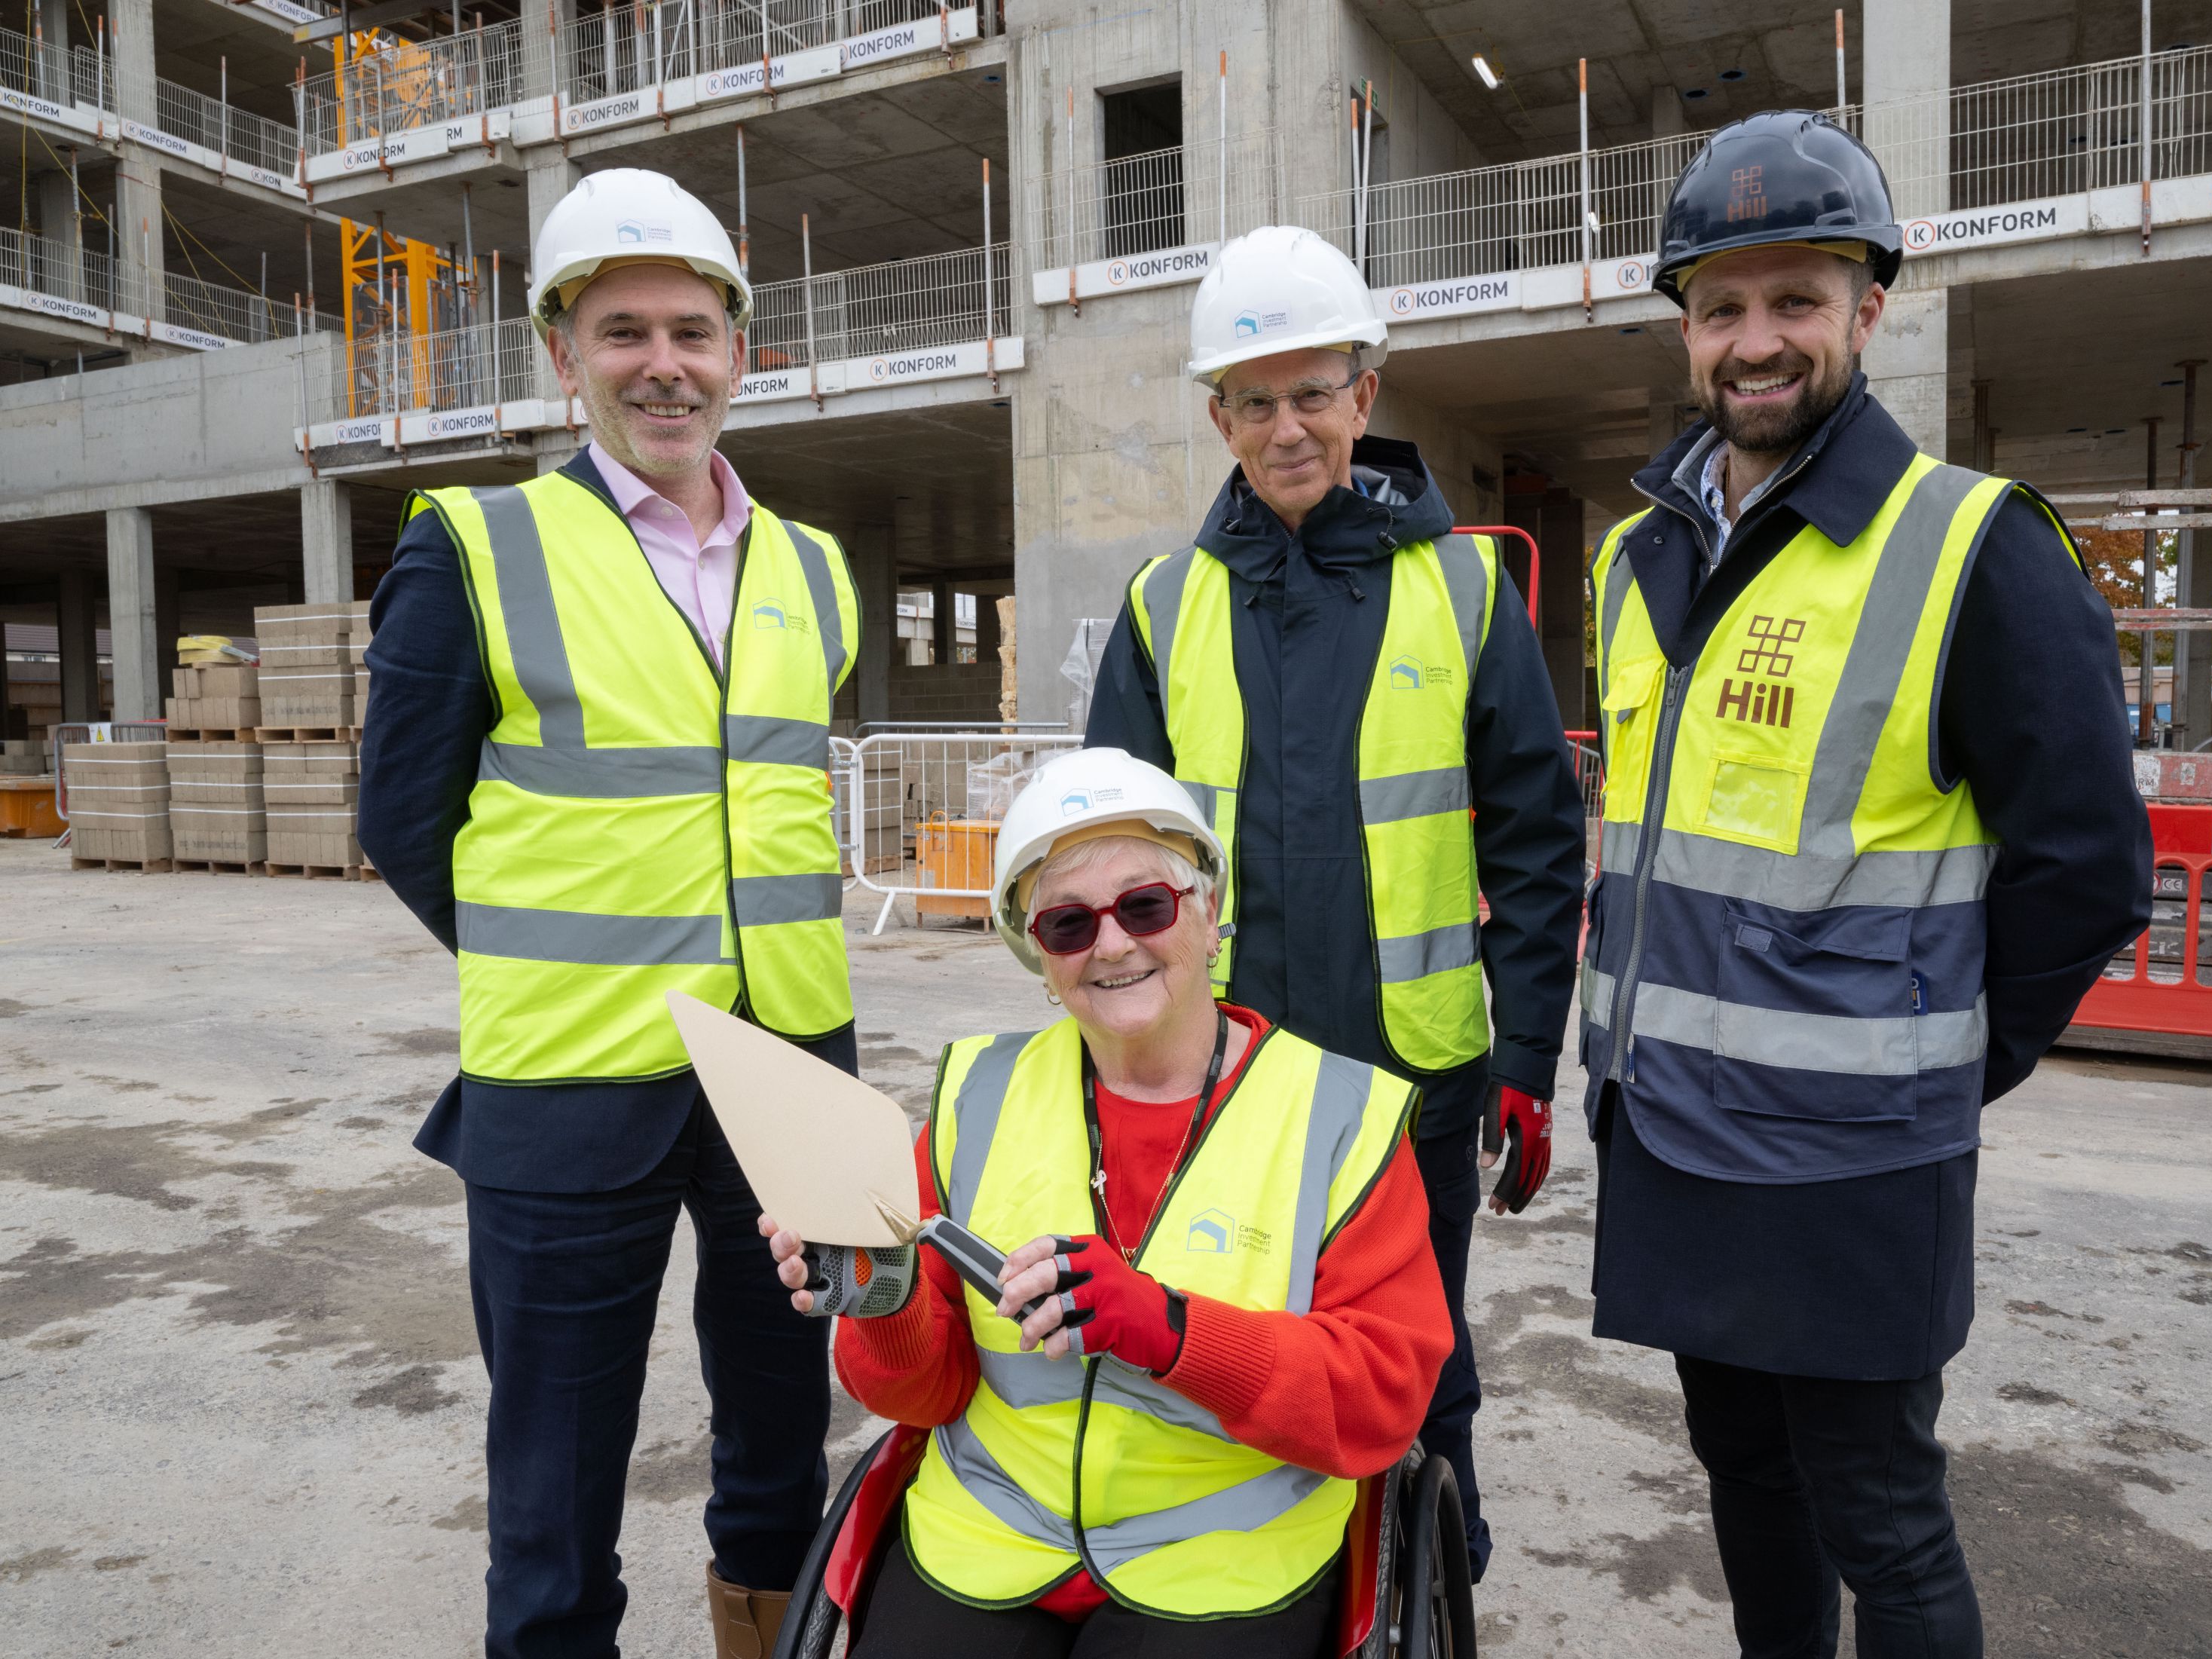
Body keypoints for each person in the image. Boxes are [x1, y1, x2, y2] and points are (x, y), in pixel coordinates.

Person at [1580, 109, 2154, 1657]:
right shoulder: (1642, 556)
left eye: (1795, 300)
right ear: (1686, 329)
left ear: (1867, 310)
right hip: (1676, 1126)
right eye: (1720, 306)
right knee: (1742, 1471)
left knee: (1882, 1514)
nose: (1754, 341)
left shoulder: (1972, 545)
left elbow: (2088, 863)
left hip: (1847, 1159)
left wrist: (1944, 1055)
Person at [359, 167, 865, 1659]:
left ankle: (760, 1630)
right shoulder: (475, 544)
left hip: (787, 1074)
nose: (665, 362)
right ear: (562, 351)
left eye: (694, 331)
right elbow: (403, 816)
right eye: (625, 329)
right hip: (567, 1080)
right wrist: (555, 944)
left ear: (740, 351)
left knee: (782, 1425)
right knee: (556, 1468)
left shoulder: (812, 569)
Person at [1082, 225, 1584, 1583]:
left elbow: (1540, 847)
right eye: (1256, 398)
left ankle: (1431, 1577)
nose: (1288, 425)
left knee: (1420, 1355)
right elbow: (1102, 873)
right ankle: (1259, 1586)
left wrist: (1529, 1058)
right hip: (1220, 1079)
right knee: (1228, 1343)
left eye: (1314, 391)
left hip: (1411, 1076)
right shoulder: (1162, 605)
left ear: (1367, 394)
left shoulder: (1462, 592)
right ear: (1218, 415)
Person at [760, 746, 1452, 1655]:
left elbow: (1381, 1400)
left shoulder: (1339, 1115)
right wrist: (880, 1301)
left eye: (1145, 905)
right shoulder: (976, 1093)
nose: (1113, 942)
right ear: (1039, 958)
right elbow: (925, 1393)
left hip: (1221, 1555)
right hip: (991, 1536)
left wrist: (1168, 1328)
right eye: (1069, 924)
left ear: (1207, 916)